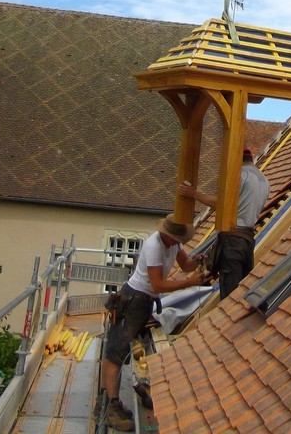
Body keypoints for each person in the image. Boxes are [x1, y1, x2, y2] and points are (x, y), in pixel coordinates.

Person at [97, 214, 210, 431]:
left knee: (119, 350)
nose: (180, 243)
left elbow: (185, 264)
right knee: (115, 353)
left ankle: (110, 402)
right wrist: (189, 283)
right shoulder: (154, 246)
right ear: (168, 234)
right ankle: (110, 406)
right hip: (133, 299)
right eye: (177, 239)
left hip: (144, 301)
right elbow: (158, 284)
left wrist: (196, 262)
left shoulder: (173, 244)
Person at [177, 146, 270, 299]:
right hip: (247, 241)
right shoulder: (264, 180)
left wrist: (192, 194)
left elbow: (221, 203)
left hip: (232, 241)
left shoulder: (240, 174)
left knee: (229, 295)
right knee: (241, 296)